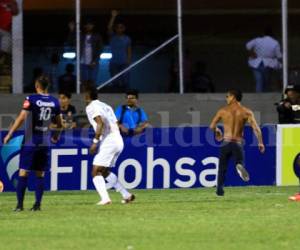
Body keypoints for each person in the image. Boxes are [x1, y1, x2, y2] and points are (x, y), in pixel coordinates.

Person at [3, 76, 62, 211]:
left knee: (23, 172)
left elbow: (22, 117)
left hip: (31, 140)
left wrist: (10, 134)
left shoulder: (31, 99)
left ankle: (19, 205)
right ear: (47, 86)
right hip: (45, 141)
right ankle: (37, 205)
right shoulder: (54, 102)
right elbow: (60, 124)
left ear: (36, 85)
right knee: (40, 174)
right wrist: (56, 136)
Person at [209, 89, 265, 196]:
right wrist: (260, 142)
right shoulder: (246, 112)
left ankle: (219, 190)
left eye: (227, 96)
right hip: (237, 143)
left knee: (222, 168)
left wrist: (217, 131)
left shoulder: (223, 111)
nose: (226, 98)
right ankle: (239, 165)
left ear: (233, 97)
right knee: (239, 161)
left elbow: (212, 126)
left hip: (225, 142)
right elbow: (256, 129)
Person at [85, 87, 135, 205]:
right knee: (104, 171)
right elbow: (116, 123)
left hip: (109, 141)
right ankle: (126, 195)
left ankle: (105, 199)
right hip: (118, 139)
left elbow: (100, 123)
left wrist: (95, 142)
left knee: (95, 171)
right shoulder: (106, 106)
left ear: (87, 95)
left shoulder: (91, 107)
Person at [246, 27, 282, 92]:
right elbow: (279, 55)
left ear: (263, 34)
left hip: (256, 63)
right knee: (266, 82)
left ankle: (258, 97)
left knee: (258, 81)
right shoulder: (275, 42)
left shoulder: (257, 40)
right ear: (272, 34)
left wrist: (252, 53)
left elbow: (248, 46)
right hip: (268, 64)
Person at [107, 10, 132, 90]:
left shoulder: (127, 38)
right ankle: (115, 96)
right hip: (114, 62)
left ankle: (126, 95)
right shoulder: (112, 37)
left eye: (121, 27)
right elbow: (109, 28)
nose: (119, 29)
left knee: (125, 81)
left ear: (124, 29)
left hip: (124, 62)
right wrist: (113, 17)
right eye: (118, 27)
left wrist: (128, 61)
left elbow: (129, 50)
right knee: (115, 81)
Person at [81, 19, 103, 88]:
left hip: (94, 62)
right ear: (85, 26)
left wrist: (95, 61)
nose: (89, 26)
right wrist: (72, 31)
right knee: (84, 80)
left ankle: (92, 95)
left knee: (92, 80)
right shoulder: (81, 36)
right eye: (87, 25)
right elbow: (71, 41)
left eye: (90, 25)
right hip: (83, 62)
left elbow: (100, 49)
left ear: (93, 26)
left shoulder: (97, 36)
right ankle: (84, 95)